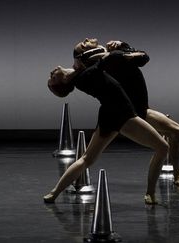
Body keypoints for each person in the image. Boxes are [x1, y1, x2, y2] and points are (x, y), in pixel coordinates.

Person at [45, 61, 167, 204]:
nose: (52, 73)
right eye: (53, 78)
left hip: (110, 114)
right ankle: (150, 193)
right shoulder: (84, 76)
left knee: (86, 159)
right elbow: (105, 61)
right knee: (163, 147)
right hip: (122, 115)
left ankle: (54, 193)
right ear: (65, 80)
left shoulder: (80, 73)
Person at [73, 38, 179, 186]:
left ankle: (177, 172)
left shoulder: (111, 52)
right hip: (126, 114)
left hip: (141, 109)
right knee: (89, 157)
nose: (87, 39)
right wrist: (113, 54)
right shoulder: (98, 65)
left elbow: (143, 58)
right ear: (85, 54)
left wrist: (123, 45)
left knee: (177, 131)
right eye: (84, 43)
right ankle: (65, 187)